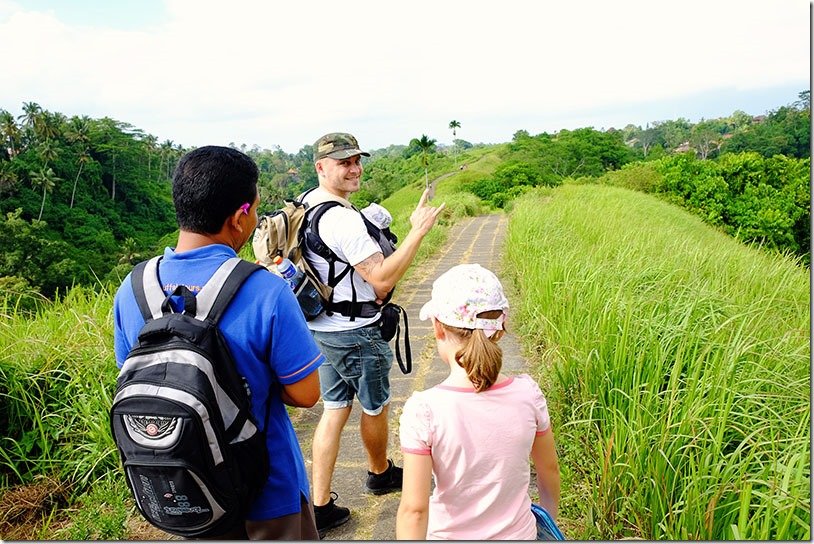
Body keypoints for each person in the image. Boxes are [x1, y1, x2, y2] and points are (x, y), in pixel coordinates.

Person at [113, 146, 324, 540]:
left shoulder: (133, 289)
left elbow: (138, 375)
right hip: (267, 493)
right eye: (256, 209)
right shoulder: (265, 290)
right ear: (240, 217)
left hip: (185, 488)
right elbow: (306, 393)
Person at [303, 132, 445, 536]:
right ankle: (379, 473)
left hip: (322, 327)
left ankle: (319, 504)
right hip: (356, 332)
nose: (354, 168)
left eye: (356, 161)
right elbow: (381, 281)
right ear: (321, 166)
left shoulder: (309, 205)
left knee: (334, 409)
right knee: (375, 405)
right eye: (343, 162)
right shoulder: (342, 218)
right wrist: (418, 231)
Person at [396, 264, 561, 540]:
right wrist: (548, 522)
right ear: (501, 328)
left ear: (438, 327)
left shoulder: (424, 411)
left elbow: (414, 510)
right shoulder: (528, 394)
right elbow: (549, 469)